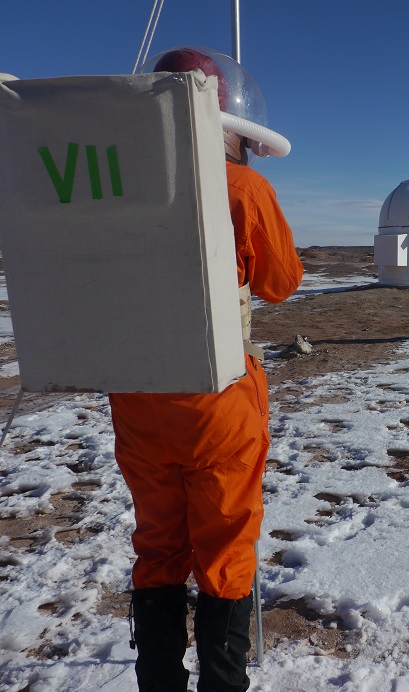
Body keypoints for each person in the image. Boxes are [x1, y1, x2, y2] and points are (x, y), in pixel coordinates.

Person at [108, 47, 304, 692]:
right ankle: (224, 681)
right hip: (217, 396)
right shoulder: (244, 187)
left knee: (158, 545)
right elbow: (280, 283)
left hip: (136, 396)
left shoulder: (111, 183)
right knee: (224, 547)